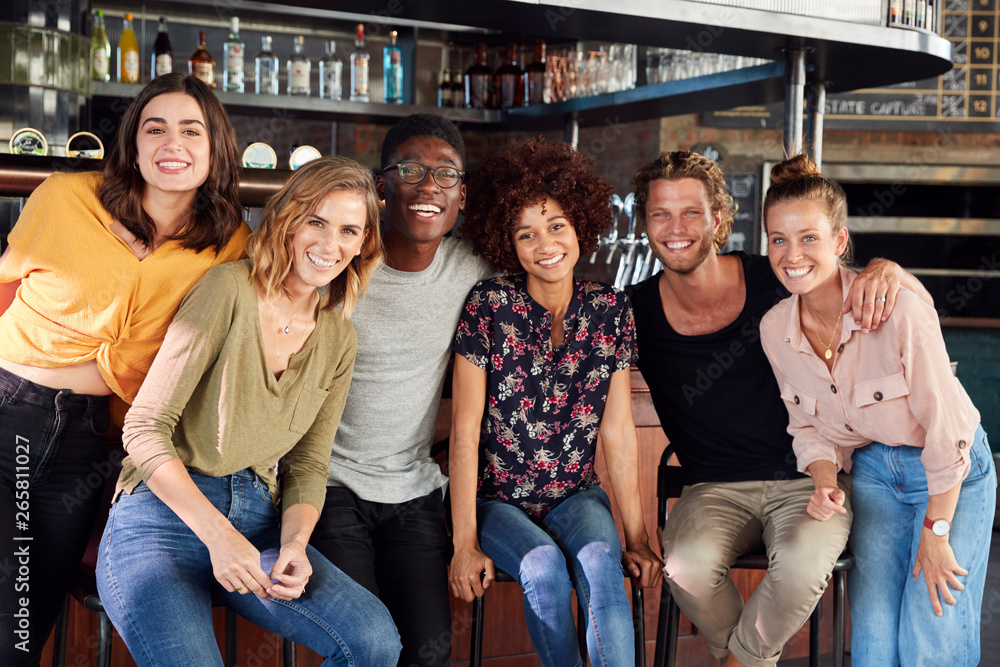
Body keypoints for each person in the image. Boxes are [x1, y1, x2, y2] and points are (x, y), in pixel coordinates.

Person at [626, 150, 934, 667]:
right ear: (646, 223)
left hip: (809, 478)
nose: (676, 228)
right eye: (661, 214)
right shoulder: (633, 311)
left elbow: (889, 298)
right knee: (686, 568)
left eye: (691, 212)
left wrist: (889, 270)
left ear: (718, 220)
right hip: (711, 489)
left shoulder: (776, 277)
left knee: (798, 567)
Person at [95, 156, 401, 666]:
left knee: (374, 641)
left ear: (364, 242)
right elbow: (145, 427)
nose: (330, 244)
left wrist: (295, 545)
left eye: (349, 230)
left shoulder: (339, 337)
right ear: (288, 219)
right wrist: (219, 537)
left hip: (259, 520)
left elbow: (308, 465)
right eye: (316, 221)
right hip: (162, 517)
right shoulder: (228, 289)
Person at [0, 73, 249, 665]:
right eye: (154, 129)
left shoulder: (229, 243)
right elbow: (5, 282)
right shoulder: (66, 198)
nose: (172, 143)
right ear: (133, 145)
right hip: (11, 410)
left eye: (191, 131)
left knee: (26, 629)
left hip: (91, 439)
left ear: (215, 148)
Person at [758, 155, 995, 667]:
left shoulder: (897, 309)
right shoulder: (775, 329)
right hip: (874, 474)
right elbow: (807, 425)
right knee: (872, 638)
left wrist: (937, 531)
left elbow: (948, 430)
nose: (791, 255)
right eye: (778, 239)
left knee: (931, 632)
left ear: (839, 241)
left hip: (951, 471)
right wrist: (824, 480)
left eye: (808, 238)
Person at [448, 138, 662, 666]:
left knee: (602, 568)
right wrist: (463, 542)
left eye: (557, 225)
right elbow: (465, 432)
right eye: (526, 233)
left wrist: (637, 536)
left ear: (580, 226)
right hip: (497, 501)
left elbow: (617, 432)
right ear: (508, 243)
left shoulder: (610, 308)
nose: (545, 244)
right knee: (543, 568)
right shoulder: (489, 305)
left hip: (576, 496)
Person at [309, 113, 491, 666]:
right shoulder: (338, 262)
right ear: (381, 186)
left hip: (413, 489)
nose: (429, 185)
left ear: (462, 195)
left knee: (429, 654)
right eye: (411, 169)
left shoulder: (473, 272)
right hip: (329, 484)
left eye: (446, 173)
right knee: (365, 645)